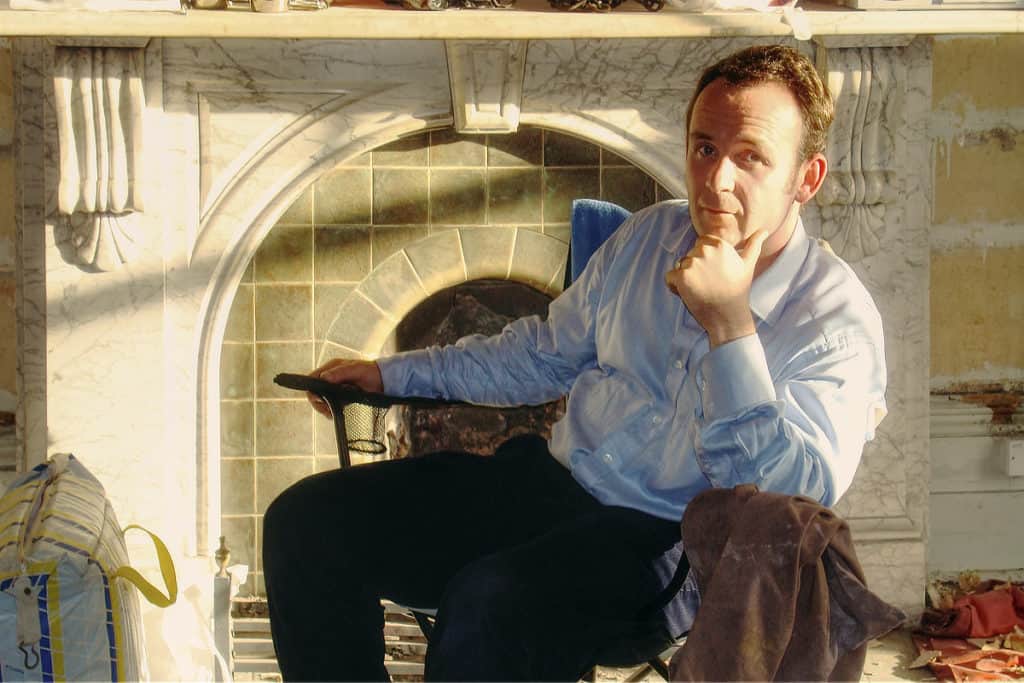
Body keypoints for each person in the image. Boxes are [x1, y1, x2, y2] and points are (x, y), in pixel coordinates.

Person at [262, 43, 887, 682]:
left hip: (672, 548)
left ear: (806, 178)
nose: (716, 181)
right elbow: (541, 353)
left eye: (750, 157)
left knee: (491, 602)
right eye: (704, 148)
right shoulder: (649, 237)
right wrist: (389, 373)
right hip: (551, 485)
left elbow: (797, 499)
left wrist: (731, 326)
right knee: (306, 524)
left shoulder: (834, 321)